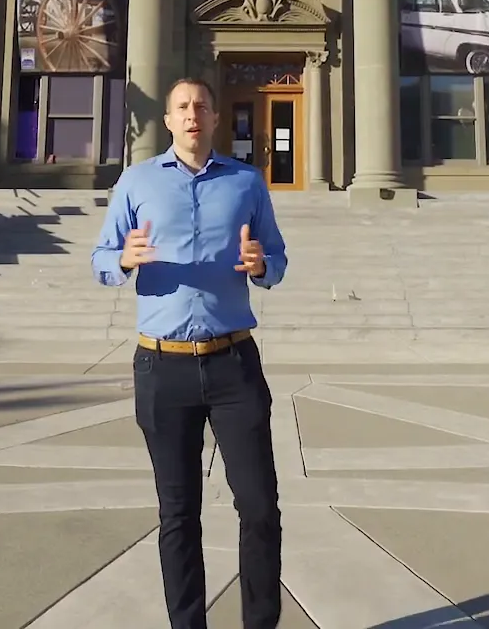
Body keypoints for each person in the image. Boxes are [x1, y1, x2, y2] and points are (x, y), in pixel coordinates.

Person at [92, 76, 288, 629]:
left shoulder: (247, 182)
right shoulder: (136, 181)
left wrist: (261, 266)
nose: (192, 114)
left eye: (201, 105)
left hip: (234, 365)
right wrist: (125, 260)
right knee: (178, 514)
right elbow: (101, 259)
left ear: (216, 117)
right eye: (182, 107)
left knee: (260, 509)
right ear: (170, 121)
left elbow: (275, 255)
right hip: (162, 366)